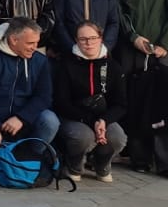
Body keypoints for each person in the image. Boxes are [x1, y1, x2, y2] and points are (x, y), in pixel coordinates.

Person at [53, 21, 127, 182]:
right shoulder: (65, 65)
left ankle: (101, 163)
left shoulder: (113, 66)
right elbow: (61, 102)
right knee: (83, 138)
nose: (89, 43)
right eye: (83, 39)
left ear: (101, 38)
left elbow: (121, 104)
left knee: (117, 137)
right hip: (74, 116)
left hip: (102, 116)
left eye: (93, 38)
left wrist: (104, 121)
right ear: (76, 40)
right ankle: (74, 165)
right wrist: (92, 121)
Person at [0, 18, 59, 154]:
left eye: (37, 43)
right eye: (30, 43)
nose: (34, 47)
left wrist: (22, 118)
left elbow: (44, 97)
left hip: (24, 121)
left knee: (50, 121)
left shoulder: (40, 61)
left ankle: (31, 158)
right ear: (14, 40)